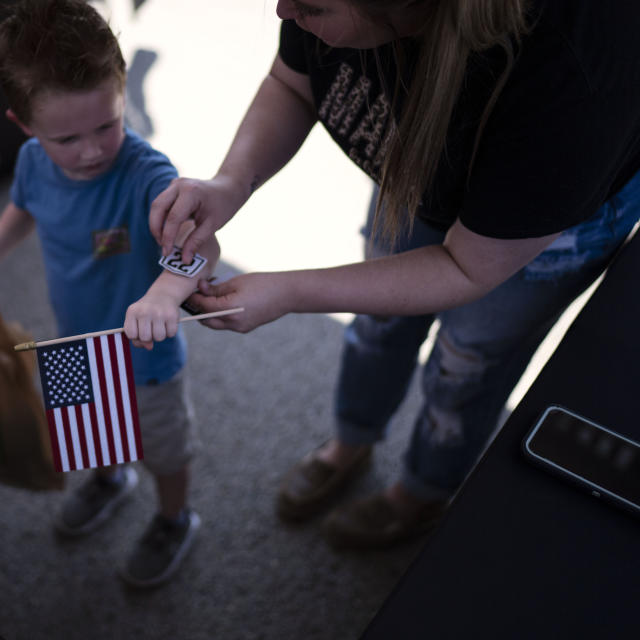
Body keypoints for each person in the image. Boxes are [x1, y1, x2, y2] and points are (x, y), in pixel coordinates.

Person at [149, 0, 640, 549]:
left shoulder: (570, 82)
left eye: (310, 6)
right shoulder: (335, 15)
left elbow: (467, 265)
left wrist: (290, 290)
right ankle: (351, 442)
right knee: (377, 323)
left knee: (467, 365)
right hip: (422, 169)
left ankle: (421, 492)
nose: (283, 11)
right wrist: (231, 182)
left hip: (540, 232)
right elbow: (293, 84)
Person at [0, 0, 220, 587]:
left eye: (108, 123)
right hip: (73, 338)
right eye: (67, 138)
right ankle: (108, 479)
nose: (94, 149)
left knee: (164, 448)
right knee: (87, 429)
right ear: (24, 126)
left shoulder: (147, 172)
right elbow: (22, 209)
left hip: (147, 357)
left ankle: (174, 516)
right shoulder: (31, 162)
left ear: (122, 92)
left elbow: (204, 245)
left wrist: (165, 294)